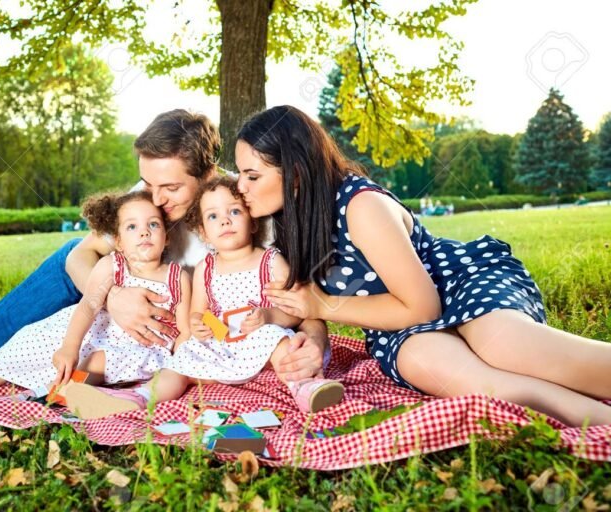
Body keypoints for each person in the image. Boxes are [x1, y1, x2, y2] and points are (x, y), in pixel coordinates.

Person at [233, 105, 611, 428]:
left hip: (459, 285)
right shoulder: (285, 224)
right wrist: (283, 321)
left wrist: (321, 306)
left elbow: (422, 306)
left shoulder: (361, 206)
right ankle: (596, 419)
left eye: (252, 176)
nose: (241, 187)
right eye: (240, 174)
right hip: (395, 329)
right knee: (457, 375)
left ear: (296, 174)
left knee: (507, 349)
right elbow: (305, 305)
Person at [0, 110, 328, 385]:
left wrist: (309, 341)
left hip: (176, 333)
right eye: (149, 183)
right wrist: (114, 297)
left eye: (171, 187)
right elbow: (82, 255)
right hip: (121, 310)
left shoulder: (239, 209)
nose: (156, 199)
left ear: (208, 171)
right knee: (67, 256)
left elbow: (303, 301)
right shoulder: (149, 195)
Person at [62, 178, 344, 418]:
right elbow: (198, 314)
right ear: (203, 233)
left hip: (258, 339)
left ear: (253, 221)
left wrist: (269, 317)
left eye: (234, 211)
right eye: (213, 216)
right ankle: (138, 398)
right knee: (177, 366)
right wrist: (200, 325)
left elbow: (296, 310)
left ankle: (305, 387)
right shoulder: (205, 269)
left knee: (282, 343)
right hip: (219, 343)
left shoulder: (270, 261)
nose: (224, 220)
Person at [0, 191, 190, 396]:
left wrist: (183, 363)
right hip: (96, 329)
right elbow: (87, 307)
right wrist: (69, 345)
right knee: (31, 339)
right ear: (117, 241)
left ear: (167, 236)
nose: (144, 232)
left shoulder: (177, 277)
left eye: (153, 225)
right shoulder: (111, 265)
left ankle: (49, 394)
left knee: (94, 362)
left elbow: (184, 328)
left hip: (139, 347)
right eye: (132, 227)